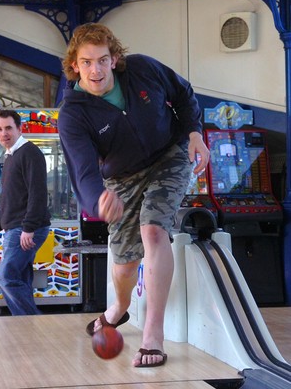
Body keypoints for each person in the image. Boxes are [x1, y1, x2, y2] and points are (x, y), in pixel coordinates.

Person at [58, 23, 210, 367]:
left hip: (169, 155)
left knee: (154, 229)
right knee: (125, 264)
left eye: (102, 60)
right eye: (86, 62)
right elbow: (81, 167)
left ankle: (152, 337)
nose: (95, 70)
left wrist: (194, 133)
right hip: (121, 178)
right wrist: (98, 198)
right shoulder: (73, 113)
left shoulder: (143, 69)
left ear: (114, 59)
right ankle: (119, 308)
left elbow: (184, 95)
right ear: (75, 66)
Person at [0, 109, 51, 316]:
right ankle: (26, 329)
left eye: (8, 128)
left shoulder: (29, 153)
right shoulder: (11, 155)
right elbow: (9, 198)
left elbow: (38, 193)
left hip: (25, 228)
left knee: (6, 278)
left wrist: (28, 227)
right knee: (20, 279)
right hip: (15, 227)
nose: (4, 133)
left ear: (19, 129)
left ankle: (31, 322)